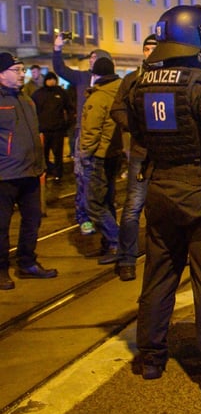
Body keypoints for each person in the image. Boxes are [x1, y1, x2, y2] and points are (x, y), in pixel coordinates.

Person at [115, 5, 201, 391]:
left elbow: (127, 121)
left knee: (158, 278)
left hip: (160, 189)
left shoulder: (140, 81)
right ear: (196, 38)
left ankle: (151, 358)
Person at [0, 53, 58, 290]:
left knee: (32, 221)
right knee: (1, 226)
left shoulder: (27, 100)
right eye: (16, 70)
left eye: (22, 69)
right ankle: (1, 269)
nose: (21, 73)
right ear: (1, 73)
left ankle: (27, 262)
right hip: (4, 176)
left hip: (31, 173)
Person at [109, 34, 160, 281]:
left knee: (164, 207)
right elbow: (116, 109)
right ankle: (127, 257)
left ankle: (162, 254)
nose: (150, 52)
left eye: (155, 48)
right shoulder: (132, 79)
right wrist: (136, 126)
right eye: (147, 48)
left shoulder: (170, 75)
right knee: (133, 206)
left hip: (165, 153)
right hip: (141, 152)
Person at [52, 34, 113, 235]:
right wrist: (57, 49)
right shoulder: (82, 77)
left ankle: (102, 213)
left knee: (102, 178)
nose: (92, 61)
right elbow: (60, 69)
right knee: (82, 176)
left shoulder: (110, 82)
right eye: (91, 58)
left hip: (106, 136)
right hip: (83, 134)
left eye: (96, 58)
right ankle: (83, 216)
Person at [79, 57, 124, 265]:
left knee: (93, 204)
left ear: (95, 75)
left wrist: (83, 154)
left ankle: (117, 241)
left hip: (98, 155)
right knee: (107, 200)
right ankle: (110, 243)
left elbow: (91, 132)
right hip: (114, 153)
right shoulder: (120, 91)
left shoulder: (98, 97)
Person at [32, 72, 74, 181]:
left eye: (53, 79)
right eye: (49, 79)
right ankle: (44, 172)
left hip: (58, 130)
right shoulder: (38, 94)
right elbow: (32, 110)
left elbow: (70, 108)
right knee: (43, 154)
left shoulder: (61, 93)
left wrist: (67, 123)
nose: (52, 81)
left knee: (58, 154)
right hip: (43, 130)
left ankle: (58, 173)